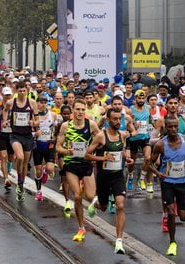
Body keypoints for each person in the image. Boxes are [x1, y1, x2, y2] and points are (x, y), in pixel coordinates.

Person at [149, 117, 185, 256]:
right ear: (165, 127)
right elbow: (150, 163)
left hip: (182, 183)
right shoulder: (160, 144)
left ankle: (176, 207)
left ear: (178, 126)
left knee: (184, 217)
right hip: (167, 183)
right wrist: (157, 173)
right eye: (169, 127)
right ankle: (172, 242)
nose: (172, 129)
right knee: (172, 213)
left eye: (175, 127)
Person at [86, 108, 133, 254]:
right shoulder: (101, 136)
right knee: (104, 207)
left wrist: (128, 158)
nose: (118, 122)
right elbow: (87, 155)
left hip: (118, 175)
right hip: (104, 177)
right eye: (115, 119)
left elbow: (122, 152)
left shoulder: (122, 135)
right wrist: (102, 158)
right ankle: (96, 202)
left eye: (120, 119)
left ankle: (119, 241)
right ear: (108, 120)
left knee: (120, 205)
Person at [56, 98, 101, 242]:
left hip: (86, 164)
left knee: (90, 196)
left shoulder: (91, 125)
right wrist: (67, 152)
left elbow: (101, 139)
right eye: (78, 109)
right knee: (76, 196)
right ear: (73, 110)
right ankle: (81, 227)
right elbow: (58, 147)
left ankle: (92, 199)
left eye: (83, 110)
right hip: (71, 164)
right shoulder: (65, 126)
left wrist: (95, 150)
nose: (80, 112)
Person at [3, 81, 38, 202]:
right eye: (20, 91)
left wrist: (34, 123)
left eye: (24, 91)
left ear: (27, 91)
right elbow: (5, 110)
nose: (22, 93)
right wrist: (5, 121)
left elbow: (37, 119)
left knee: (25, 163)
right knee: (21, 157)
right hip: (15, 135)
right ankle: (19, 181)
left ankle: (20, 184)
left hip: (28, 136)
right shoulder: (11, 102)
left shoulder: (32, 103)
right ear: (16, 91)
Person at [32, 96, 57, 201]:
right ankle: (39, 191)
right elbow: (27, 131)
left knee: (50, 168)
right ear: (37, 103)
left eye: (45, 102)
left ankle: (45, 170)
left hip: (49, 145)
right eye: (41, 102)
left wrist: (54, 137)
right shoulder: (33, 116)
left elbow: (56, 129)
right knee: (38, 171)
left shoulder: (53, 115)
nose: (43, 104)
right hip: (37, 145)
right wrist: (34, 133)